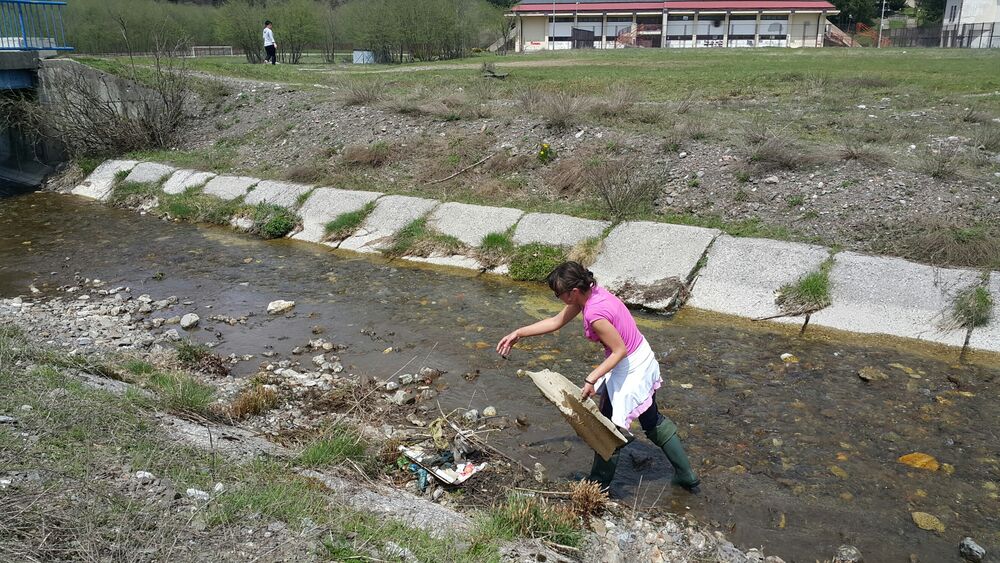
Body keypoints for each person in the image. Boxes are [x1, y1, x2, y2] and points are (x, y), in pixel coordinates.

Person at [496, 261, 700, 493]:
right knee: (651, 420)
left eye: (558, 294)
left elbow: (619, 350)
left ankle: (598, 484)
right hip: (641, 355)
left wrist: (591, 378)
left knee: (604, 430)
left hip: (630, 367)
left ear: (573, 291)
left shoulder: (594, 313)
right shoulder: (592, 293)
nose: (557, 297)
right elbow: (556, 322)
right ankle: (687, 475)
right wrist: (518, 333)